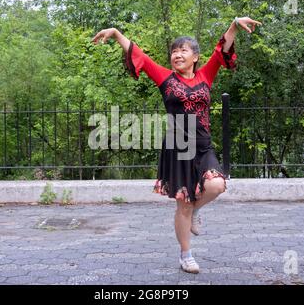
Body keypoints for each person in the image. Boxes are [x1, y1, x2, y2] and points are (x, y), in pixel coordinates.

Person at [92, 17, 261, 274]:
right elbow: (140, 56)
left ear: (195, 57)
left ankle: (195, 210)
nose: (177, 54)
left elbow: (222, 50)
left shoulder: (206, 75)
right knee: (183, 202)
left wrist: (234, 25)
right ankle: (186, 255)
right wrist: (116, 34)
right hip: (178, 145)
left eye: (183, 50)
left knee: (216, 185)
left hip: (203, 145)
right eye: (174, 51)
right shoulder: (165, 78)